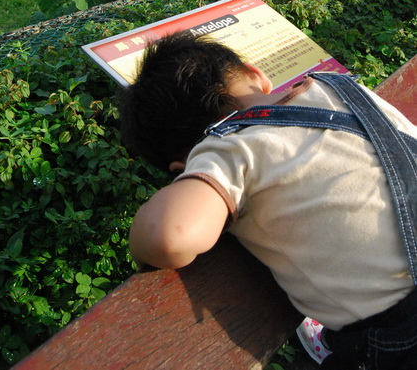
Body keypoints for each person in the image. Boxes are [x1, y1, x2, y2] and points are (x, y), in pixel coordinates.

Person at [119, 32, 417, 369]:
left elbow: (168, 235)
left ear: (182, 166)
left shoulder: (228, 147)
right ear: (255, 74)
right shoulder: (337, 87)